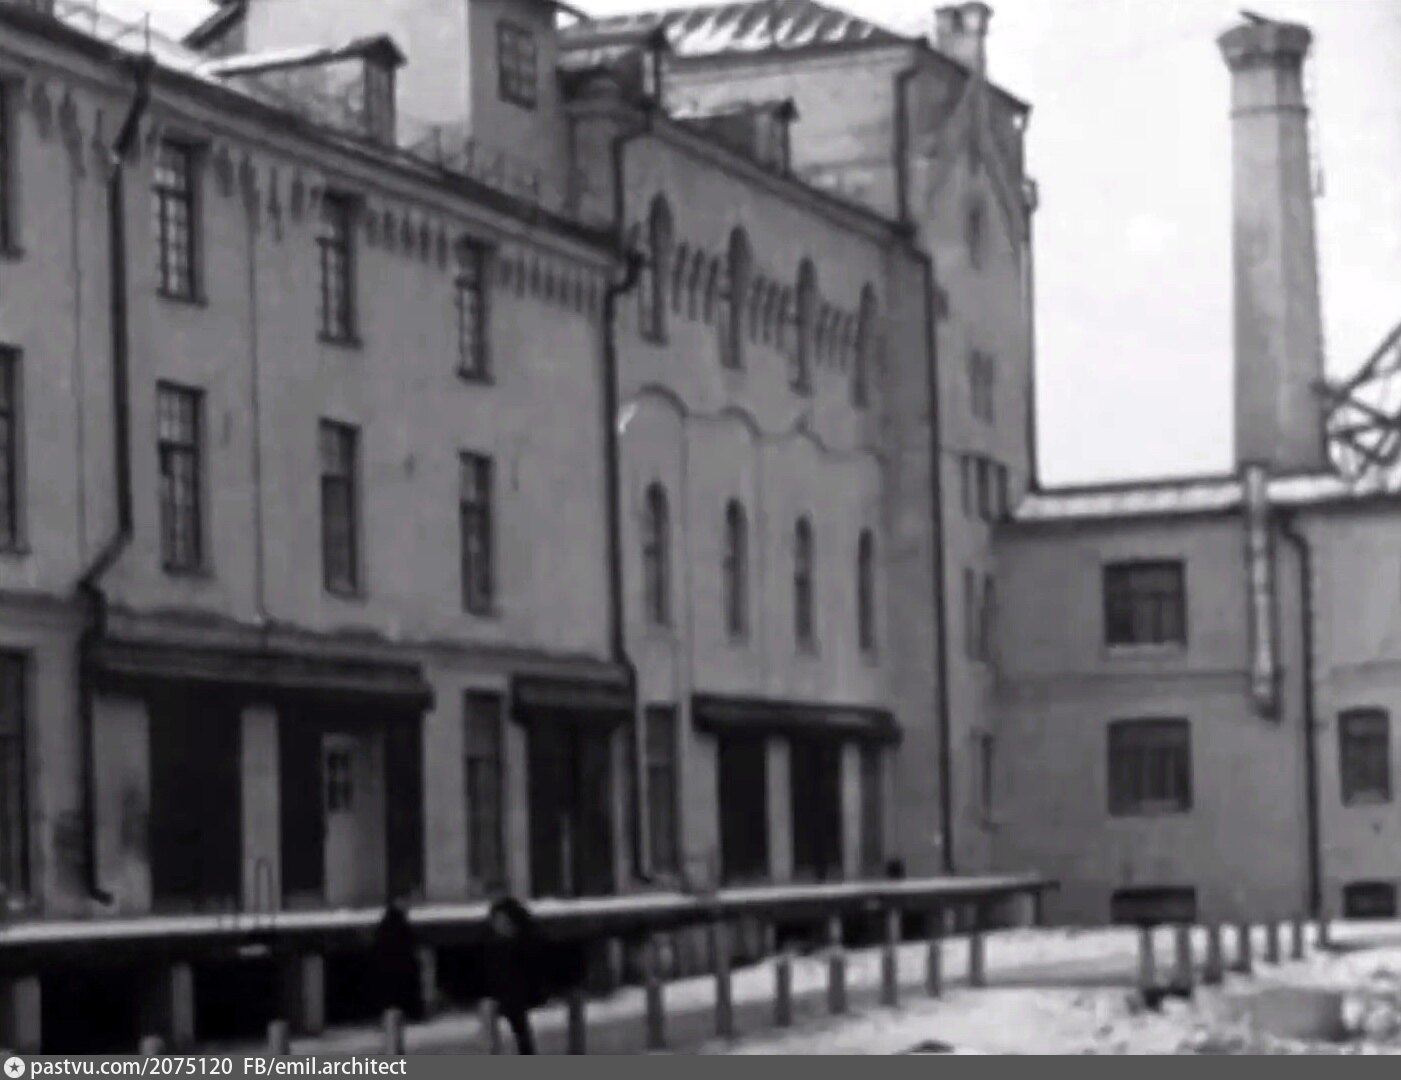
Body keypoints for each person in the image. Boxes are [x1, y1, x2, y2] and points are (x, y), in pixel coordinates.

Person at [481, 897, 548, 1055]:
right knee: (493, 1011)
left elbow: (534, 974)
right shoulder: (493, 945)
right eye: (497, 922)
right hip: (506, 995)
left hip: (522, 993)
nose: (500, 926)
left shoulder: (526, 944)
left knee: (512, 1015)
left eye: (505, 922)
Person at [370, 896, 423, 1022]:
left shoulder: (388, 924)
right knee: (396, 1004)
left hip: (391, 972)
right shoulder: (397, 924)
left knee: (392, 1005)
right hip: (398, 971)